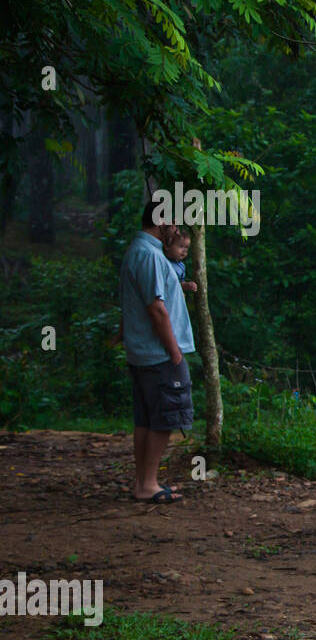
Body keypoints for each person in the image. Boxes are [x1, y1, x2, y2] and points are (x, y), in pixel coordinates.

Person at [118, 203, 196, 503]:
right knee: (165, 418)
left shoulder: (139, 251)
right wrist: (175, 353)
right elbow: (157, 309)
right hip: (158, 354)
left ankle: (144, 482)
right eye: (174, 223)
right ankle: (147, 484)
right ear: (161, 221)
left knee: (146, 419)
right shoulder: (149, 256)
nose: (177, 230)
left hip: (143, 352)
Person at [164, 228, 199, 293]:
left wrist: (187, 285)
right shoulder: (162, 261)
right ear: (167, 246)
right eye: (181, 246)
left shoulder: (181, 266)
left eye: (186, 247)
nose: (184, 250)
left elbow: (180, 284)